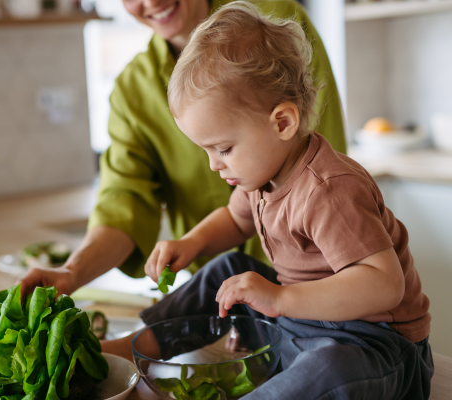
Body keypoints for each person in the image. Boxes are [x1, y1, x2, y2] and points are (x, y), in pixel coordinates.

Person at [103, 2, 433, 399]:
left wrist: (278, 298)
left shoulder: (329, 189)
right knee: (226, 268)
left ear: (282, 122)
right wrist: (190, 243)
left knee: (330, 368)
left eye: (223, 148)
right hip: (299, 324)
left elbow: (384, 285)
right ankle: (136, 348)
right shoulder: (263, 175)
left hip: (374, 345)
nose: (213, 165)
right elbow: (235, 219)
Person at [20, 0, 347, 299]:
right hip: (221, 295)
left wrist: (278, 299)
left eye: (224, 148)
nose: (150, 2)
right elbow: (124, 202)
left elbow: (316, 172)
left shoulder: (277, 24)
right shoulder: (132, 90)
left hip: (310, 291)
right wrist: (71, 273)